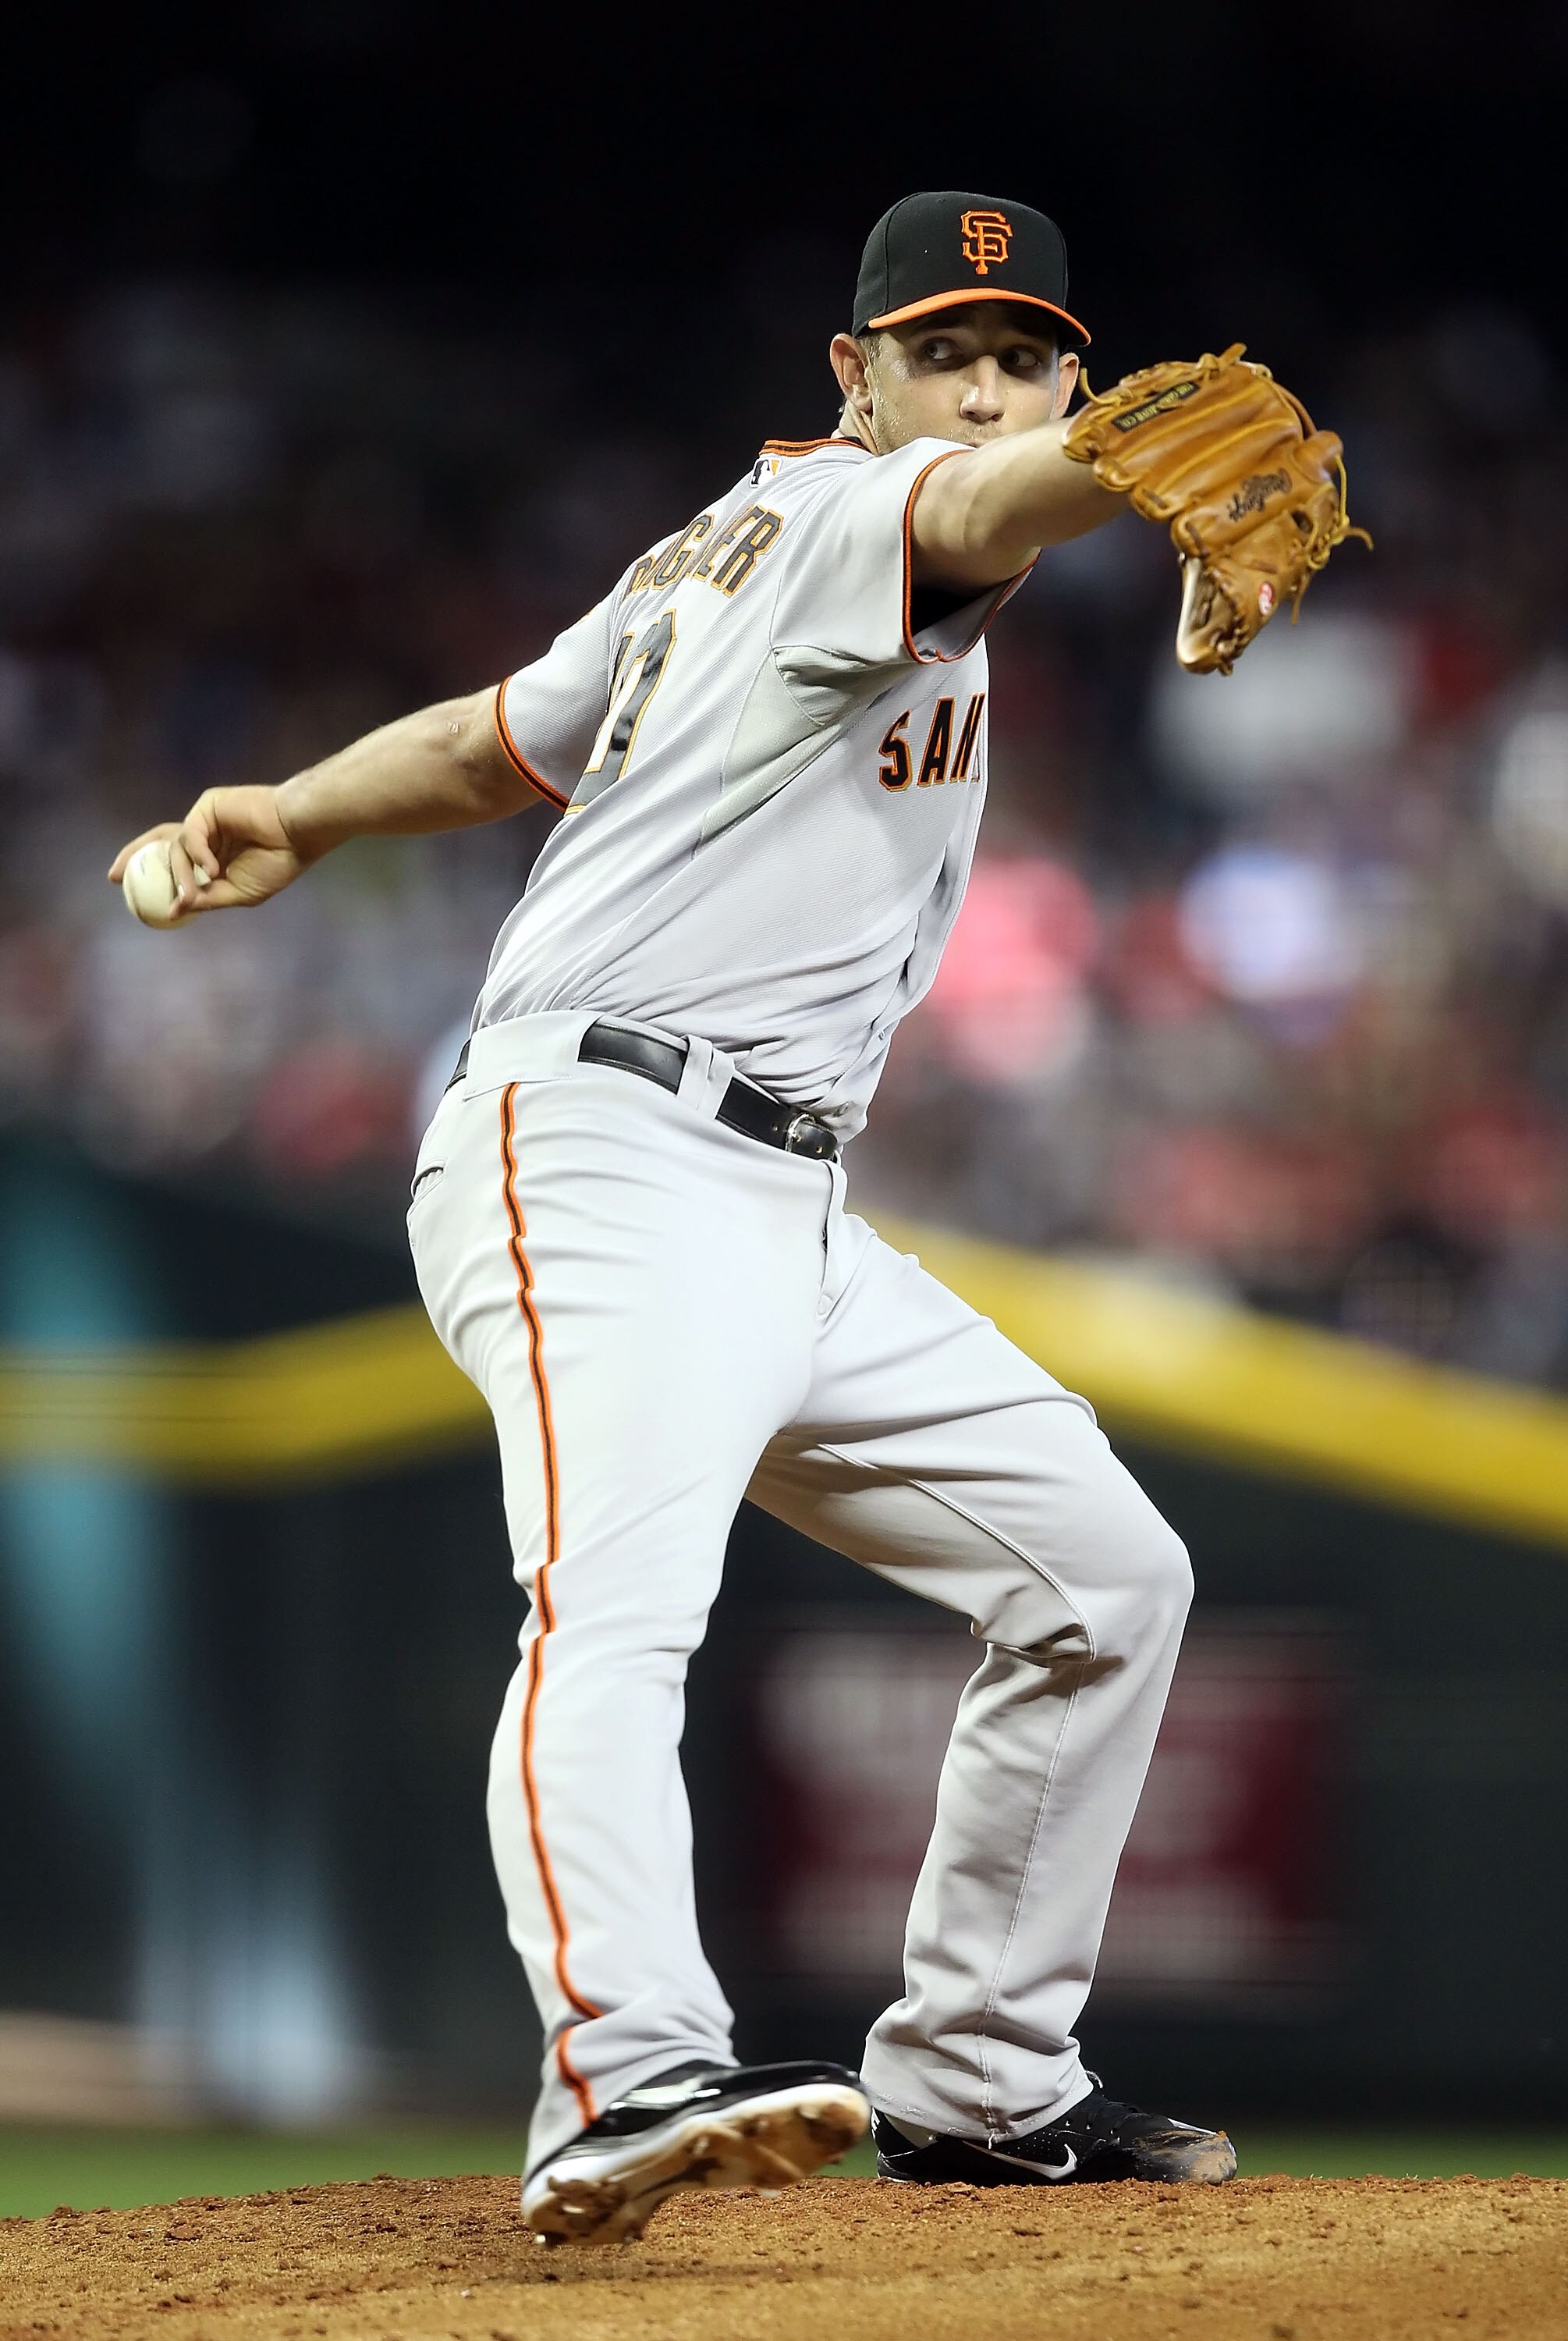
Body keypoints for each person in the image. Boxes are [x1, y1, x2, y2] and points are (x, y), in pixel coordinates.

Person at [112, 190, 1236, 2243]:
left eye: (1020, 351)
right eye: (939, 347)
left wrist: (292, 804)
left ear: (1060, 361)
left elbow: (489, 742)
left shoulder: (689, 557)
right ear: (854, 372)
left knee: (1104, 1580)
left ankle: (983, 2082)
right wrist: (1117, 457)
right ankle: (621, 2074)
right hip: (604, 1147)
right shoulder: (842, 521)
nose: (978, 385)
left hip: (788, 1203)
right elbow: (1001, 499)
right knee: (618, 1612)